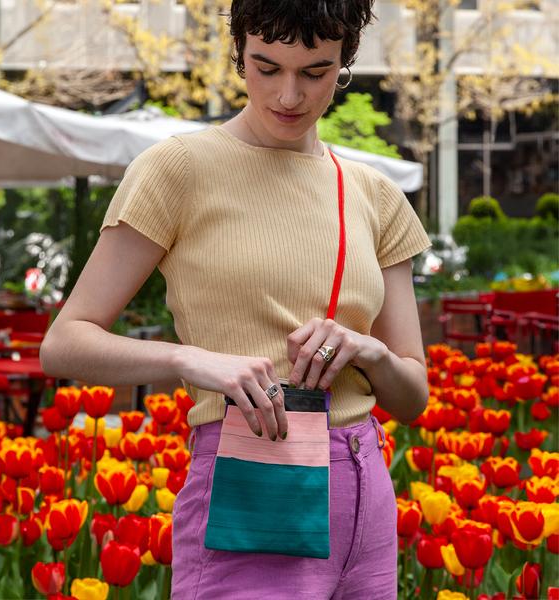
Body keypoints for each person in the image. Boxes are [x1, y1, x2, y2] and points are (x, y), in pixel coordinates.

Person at [41, 0, 433, 597]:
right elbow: (64, 343)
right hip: (250, 481)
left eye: (315, 71)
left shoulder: (374, 195)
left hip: (366, 497)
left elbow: (412, 397)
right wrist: (188, 359)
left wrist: (368, 352)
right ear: (238, 53)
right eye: (266, 66)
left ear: (346, 63)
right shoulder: (178, 169)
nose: (288, 95)